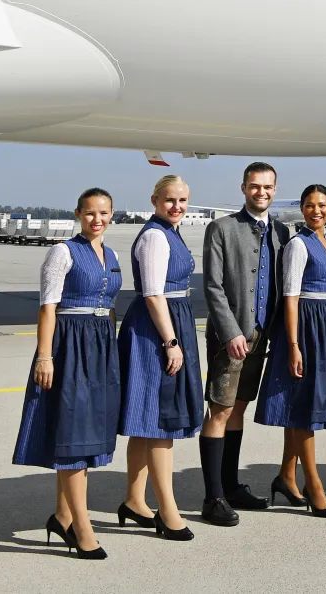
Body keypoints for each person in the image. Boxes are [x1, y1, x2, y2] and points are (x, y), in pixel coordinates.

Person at [12, 188, 123, 560]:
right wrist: (45, 357)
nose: (97, 219)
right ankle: (81, 525)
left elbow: (109, 309)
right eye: (90, 213)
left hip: (101, 347)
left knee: (88, 434)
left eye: (104, 213)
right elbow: (47, 308)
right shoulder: (62, 252)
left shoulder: (112, 255)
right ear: (78, 214)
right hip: (68, 345)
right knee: (74, 434)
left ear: (112, 215)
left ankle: (62, 516)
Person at [199, 162, 291, 526]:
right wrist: (231, 331)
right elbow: (212, 286)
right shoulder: (221, 228)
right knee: (219, 410)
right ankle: (213, 496)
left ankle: (231, 484)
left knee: (238, 409)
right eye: (255, 186)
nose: (262, 192)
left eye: (268, 187)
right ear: (243, 188)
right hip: (232, 337)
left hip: (263, 337)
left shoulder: (282, 232)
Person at [255, 185, 326, 518]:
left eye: (322, 205)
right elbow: (291, 297)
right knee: (305, 407)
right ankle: (314, 483)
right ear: (302, 208)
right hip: (305, 328)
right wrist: (294, 345)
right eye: (310, 206)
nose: (316, 211)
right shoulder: (298, 245)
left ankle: (286, 475)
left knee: (301, 403)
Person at [115, 175, 201, 542]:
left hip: (168, 321)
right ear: (154, 200)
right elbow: (152, 294)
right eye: (170, 200)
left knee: (146, 421)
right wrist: (171, 342)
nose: (177, 206)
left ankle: (135, 500)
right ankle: (167, 509)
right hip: (156, 329)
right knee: (161, 420)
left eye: (182, 200)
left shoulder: (171, 231)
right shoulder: (154, 235)